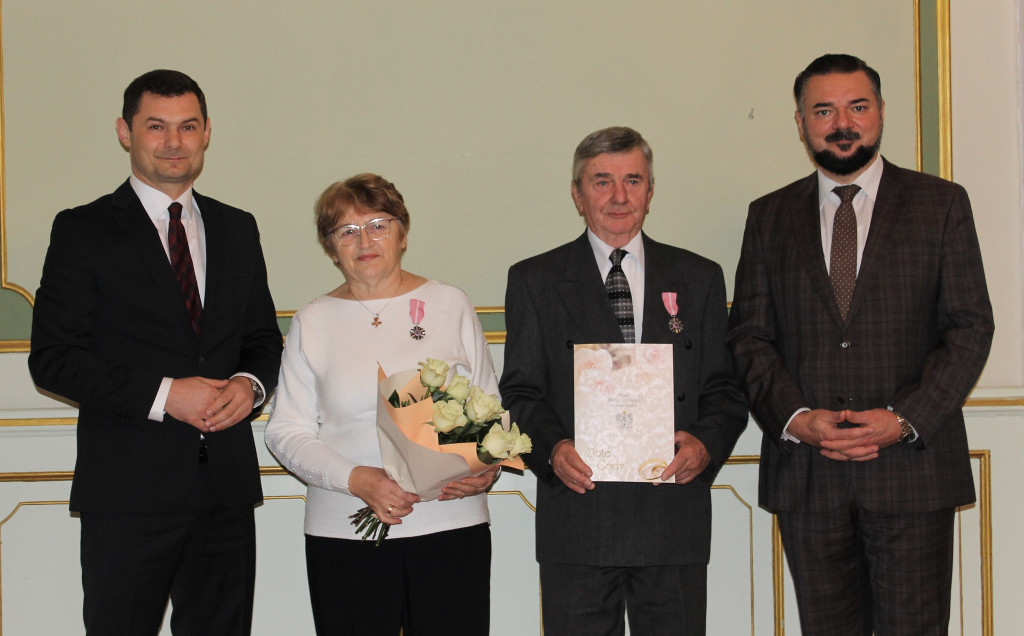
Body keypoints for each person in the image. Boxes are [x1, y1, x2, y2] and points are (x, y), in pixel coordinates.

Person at [727, 54, 994, 635]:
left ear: (880, 114)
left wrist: (904, 420)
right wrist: (796, 418)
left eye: (857, 106)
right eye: (823, 110)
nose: (841, 122)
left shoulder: (941, 205)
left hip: (912, 473)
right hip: (809, 476)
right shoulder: (768, 217)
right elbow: (749, 336)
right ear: (800, 123)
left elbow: (970, 327)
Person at [28, 70, 282, 634]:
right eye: (156, 127)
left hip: (226, 492)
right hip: (126, 496)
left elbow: (262, 340)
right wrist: (167, 395)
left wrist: (251, 386)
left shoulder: (238, 228)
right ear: (125, 132)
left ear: (207, 132)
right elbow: (53, 357)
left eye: (188, 126)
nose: (174, 142)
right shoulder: (83, 229)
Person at [499, 126, 747, 635]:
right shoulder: (535, 279)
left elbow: (724, 388)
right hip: (579, 515)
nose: (618, 196)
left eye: (633, 180)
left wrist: (705, 446)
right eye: (601, 181)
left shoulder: (698, 277)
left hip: (672, 514)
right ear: (577, 193)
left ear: (651, 192)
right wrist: (551, 450)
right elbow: (521, 391)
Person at [264, 173, 500, 635]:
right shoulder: (312, 322)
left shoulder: (449, 304)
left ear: (402, 232)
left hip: (450, 526)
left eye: (378, 224)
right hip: (346, 533)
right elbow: (285, 432)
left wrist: (486, 467)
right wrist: (359, 480)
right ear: (331, 248)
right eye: (346, 231)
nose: (364, 240)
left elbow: (489, 410)